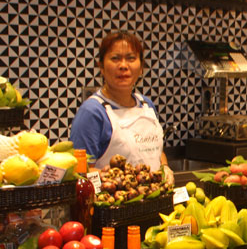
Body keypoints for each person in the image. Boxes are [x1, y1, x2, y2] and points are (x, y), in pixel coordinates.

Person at [70, 31, 171, 177]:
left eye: (131, 58)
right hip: (111, 198)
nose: (123, 66)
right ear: (101, 67)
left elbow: (156, 151)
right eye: (115, 58)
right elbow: (79, 171)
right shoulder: (92, 112)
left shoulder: (146, 105)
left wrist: (165, 167)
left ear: (141, 67)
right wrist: (120, 179)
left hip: (153, 197)